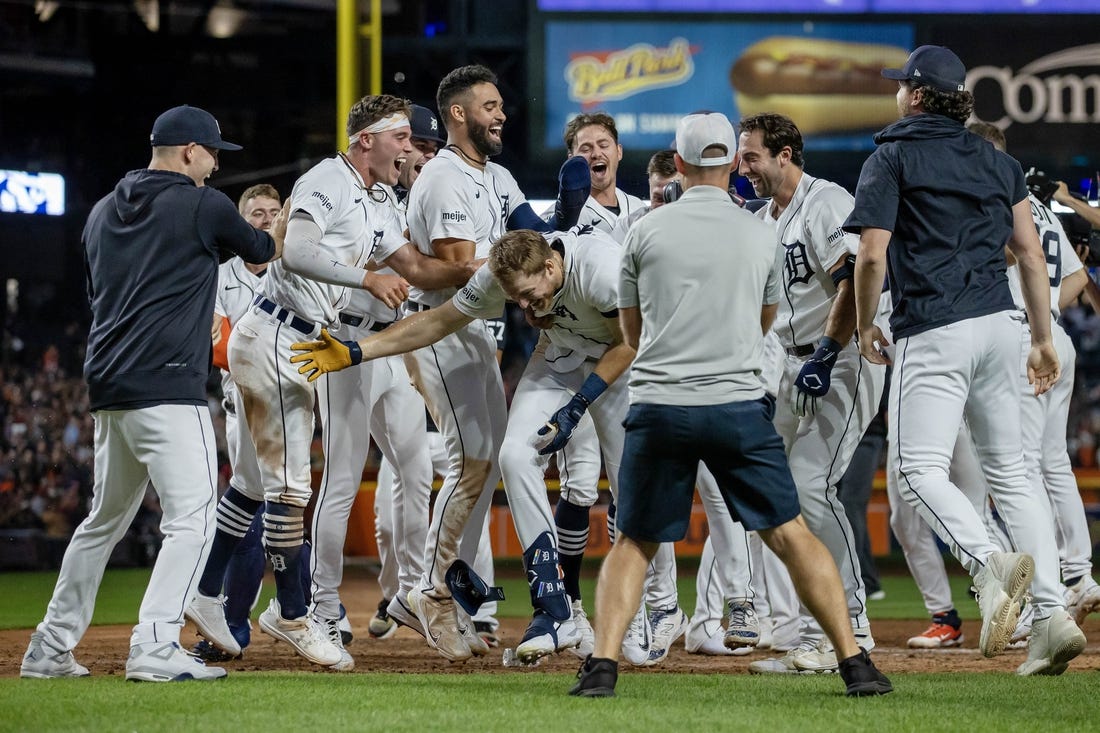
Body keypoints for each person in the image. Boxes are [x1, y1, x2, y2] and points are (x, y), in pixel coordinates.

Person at [569, 111, 891, 698]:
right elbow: (765, 319)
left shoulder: (645, 230)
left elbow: (632, 333)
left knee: (634, 542)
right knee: (791, 531)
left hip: (661, 401)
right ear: (728, 164)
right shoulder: (759, 231)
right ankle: (856, 663)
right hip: (737, 404)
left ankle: (602, 667)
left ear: (681, 164)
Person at [291, 224, 640, 665]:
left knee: (633, 491)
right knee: (514, 456)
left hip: (620, 364)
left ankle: (649, 609)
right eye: (519, 301)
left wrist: (578, 406)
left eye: (533, 295)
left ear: (553, 265)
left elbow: (630, 340)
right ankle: (554, 611)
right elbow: (436, 322)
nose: (528, 310)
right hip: (558, 358)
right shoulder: (503, 277)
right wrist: (358, 351)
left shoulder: (602, 269)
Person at [847, 45, 1086, 676]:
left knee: (917, 469)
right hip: (1002, 327)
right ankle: (1050, 618)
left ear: (919, 96)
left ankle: (988, 562)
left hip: (935, 327)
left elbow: (871, 256)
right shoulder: (993, 158)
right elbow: (1031, 257)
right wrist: (1039, 336)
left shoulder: (890, 155)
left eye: (903, 86)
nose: (897, 93)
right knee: (1014, 475)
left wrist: (868, 321)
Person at [217, 94, 478, 669]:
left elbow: (413, 267)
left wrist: (478, 268)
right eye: (402, 137)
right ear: (368, 140)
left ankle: (217, 598)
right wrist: (365, 276)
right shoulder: (326, 179)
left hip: (348, 342)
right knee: (310, 486)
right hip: (308, 340)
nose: (409, 148)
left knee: (280, 486)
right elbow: (297, 249)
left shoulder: (378, 197)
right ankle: (307, 610)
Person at [20, 105, 279, 682]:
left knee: (102, 522)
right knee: (193, 519)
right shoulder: (203, 204)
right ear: (189, 151)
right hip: (167, 383)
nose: (215, 167)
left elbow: (99, 295)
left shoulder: (101, 211)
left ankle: (50, 646)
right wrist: (286, 225)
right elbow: (262, 250)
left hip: (108, 384)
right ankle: (156, 644)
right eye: (213, 154)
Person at [395, 64, 588, 662]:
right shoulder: (444, 178)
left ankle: (444, 591)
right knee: (471, 464)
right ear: (458, 113)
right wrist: (516, 259)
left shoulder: (497, 176)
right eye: (489, 105)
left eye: (501, 104)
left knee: (484, 469)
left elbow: (531, 239)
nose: (501, 113)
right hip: (442, 327)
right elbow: (455, 262)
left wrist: (562, 217)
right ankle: (427, 592)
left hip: (477, 329)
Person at [728, 111, 887, 675]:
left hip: (847, 356)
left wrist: (824, 353)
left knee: (810, 485)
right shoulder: (763, 217)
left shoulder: (825, 202)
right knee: (772, 495)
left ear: (785, 155)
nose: (742, 166)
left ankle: (853, 629)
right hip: (793, 364)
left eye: (751, 156)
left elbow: (853, 281)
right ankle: (814, 629)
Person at [189, 183, 300, 664]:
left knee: (287, 509)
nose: (266, 219)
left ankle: (306, 612)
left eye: (274, 212)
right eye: (256, 213)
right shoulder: (220, 276)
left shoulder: (292, 270)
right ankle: (232, 626)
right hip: (243, 404)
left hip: (290, 401)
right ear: (241, 221)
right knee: (258, 517)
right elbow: (217, 347)